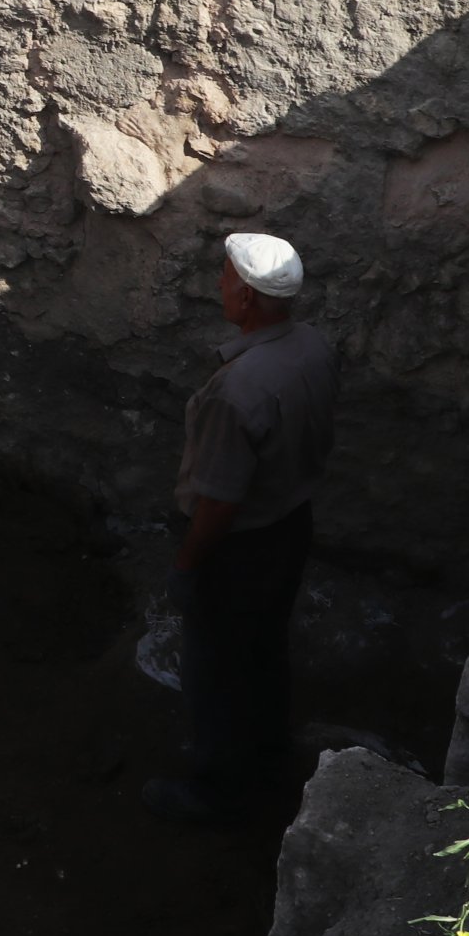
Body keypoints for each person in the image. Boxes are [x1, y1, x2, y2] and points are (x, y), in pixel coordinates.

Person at [144, 232, 337, 827]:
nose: (219, 285)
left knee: (213, 669)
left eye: (226, 278)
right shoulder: (312, 346)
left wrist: (187, 566)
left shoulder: (237, 390)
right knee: (264, 648)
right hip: (290, 529)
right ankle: (271, 751)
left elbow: (219, 503)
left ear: (248, 298)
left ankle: (218, 792)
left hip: (240, 548)